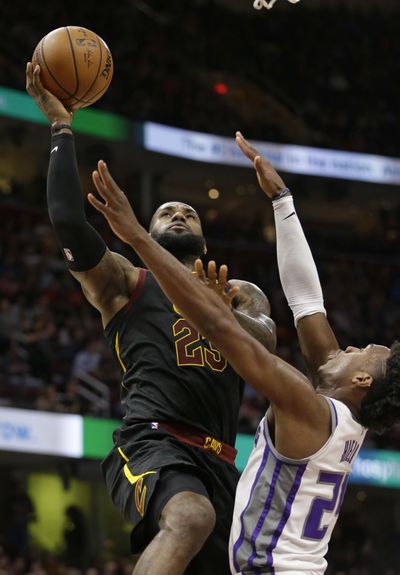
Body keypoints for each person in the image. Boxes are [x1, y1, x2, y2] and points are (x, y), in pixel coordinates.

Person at [83, 130, 400, 574]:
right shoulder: (340, 408)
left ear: (362, 380)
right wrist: (282, 201)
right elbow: (307, 301)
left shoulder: (305, 405)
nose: (351, 345)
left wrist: (137, 236)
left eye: (365, 350)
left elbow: (217, 328)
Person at [26, 63, 276, 575]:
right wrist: (61, 128)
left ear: (203, 240)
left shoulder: (238, 293)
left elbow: (264, 348)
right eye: (166, 213)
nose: (179, 214)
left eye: (188, 211)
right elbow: (70, 222)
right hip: (153, 441)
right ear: (152, 233)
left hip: (224, 462)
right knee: (189, 517)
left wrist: (217, 311)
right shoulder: (127, 281)